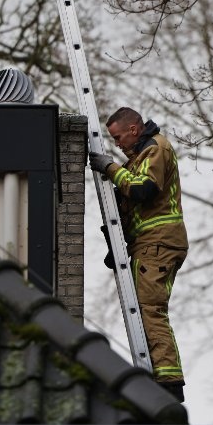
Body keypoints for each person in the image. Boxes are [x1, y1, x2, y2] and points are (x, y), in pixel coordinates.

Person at [88, 107, 188, 402]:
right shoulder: (139, 157)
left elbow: (144, 189)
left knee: (149, 309)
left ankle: (168, 382)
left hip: (159, 242)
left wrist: (110, 168)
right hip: (148, 243)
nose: (117, 144)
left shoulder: (155, 148)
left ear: (133, 129)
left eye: (118, 137)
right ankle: (160, 375)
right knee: (146, 309)